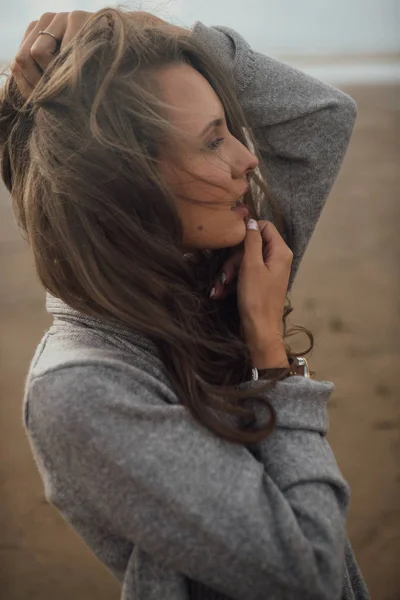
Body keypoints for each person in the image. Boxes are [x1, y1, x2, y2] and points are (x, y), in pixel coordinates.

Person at [0, 8, 370, 600]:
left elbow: (323, 118)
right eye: (213, 141)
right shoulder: (81, 389)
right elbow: (309, 574)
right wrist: (269, 357)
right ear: (127, 184)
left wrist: (159, 33)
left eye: (229, 129)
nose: (248, 160)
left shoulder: (209, 275)